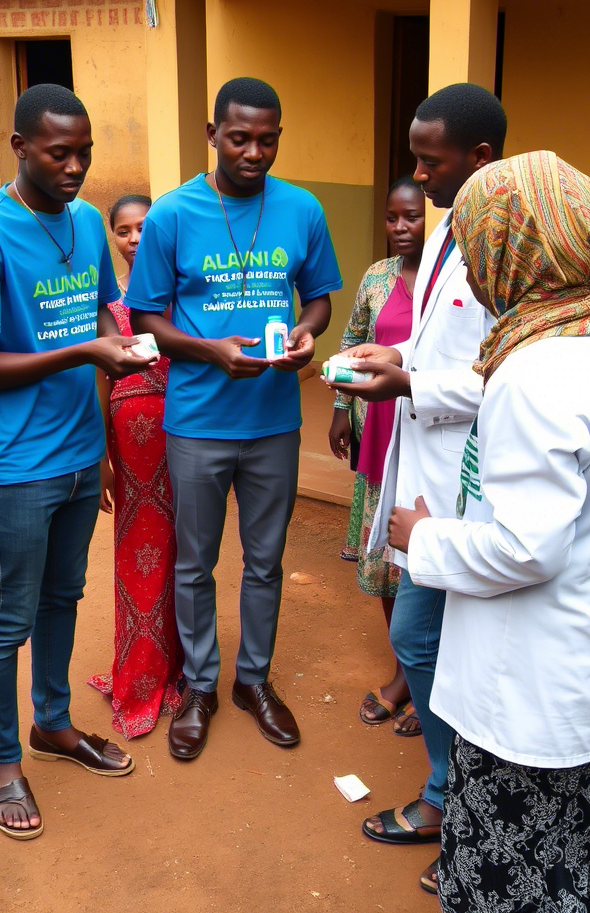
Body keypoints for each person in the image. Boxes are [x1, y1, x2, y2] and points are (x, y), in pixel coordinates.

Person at [386, 151, 590, 909]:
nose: (471, 268)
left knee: (501, 881)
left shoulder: (536, 370)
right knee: (567, 864)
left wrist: (424, 539)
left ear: (511, 250)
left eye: (475, 244)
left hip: (536, 686)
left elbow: (527, 548)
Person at [0, 84, 150, 840]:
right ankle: (1, 760)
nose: (75, 167)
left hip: (75, 449)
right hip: (17, 463)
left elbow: (99, 308)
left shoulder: (89, 223)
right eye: (59, 153)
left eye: (84, 153)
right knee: (8, 616)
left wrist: (103, 409)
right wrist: (84, 349)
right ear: (20, 148)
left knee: (64, 596)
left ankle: (53, 725)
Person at [126, 76, 342, 761]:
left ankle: (254, 680)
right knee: (195, 564)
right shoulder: (171, 215)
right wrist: (210, 352)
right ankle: (200, 688)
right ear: (214, 135)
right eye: (241, 137)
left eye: (268, 139)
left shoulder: (302, 209)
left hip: (274, 419)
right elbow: (146, 319)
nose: (255, 151)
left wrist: (308, 334)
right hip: (196, 418)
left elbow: (319, 300)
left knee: (266, 561)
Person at [332, 83, 503, 880]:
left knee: (440, 642)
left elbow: (507, 380)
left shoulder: (507, 254)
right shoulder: (441, 239)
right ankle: (449, 788)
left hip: (474, 484)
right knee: (414, 635)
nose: (419, 176)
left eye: (431, 163)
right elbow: (439, 351)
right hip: (421, 473)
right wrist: (394, 362)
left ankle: (453, 796)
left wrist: (413, 387)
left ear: (481, 159)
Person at [328, 177, 425, 733]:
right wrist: (343, 408)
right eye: (392, 218)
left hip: (427, 433)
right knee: (386, 557)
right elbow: (353, 340)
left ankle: (413, 675)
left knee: (421, 554)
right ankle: (407, 668)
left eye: (410, 217)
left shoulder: (448, 277)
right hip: (379, 433)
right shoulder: (376, 277)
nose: (400, 228)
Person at [88, 192, 184, 738]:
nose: (134, 239)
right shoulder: (110, 307)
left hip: (183, 439)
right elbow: (101, 382)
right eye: (124, 230)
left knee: (182, 555)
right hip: (132, 447)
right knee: (139, 554)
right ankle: (141, 675)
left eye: (144, 228)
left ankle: (181, 666)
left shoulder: (178, 298)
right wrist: (102, 456)